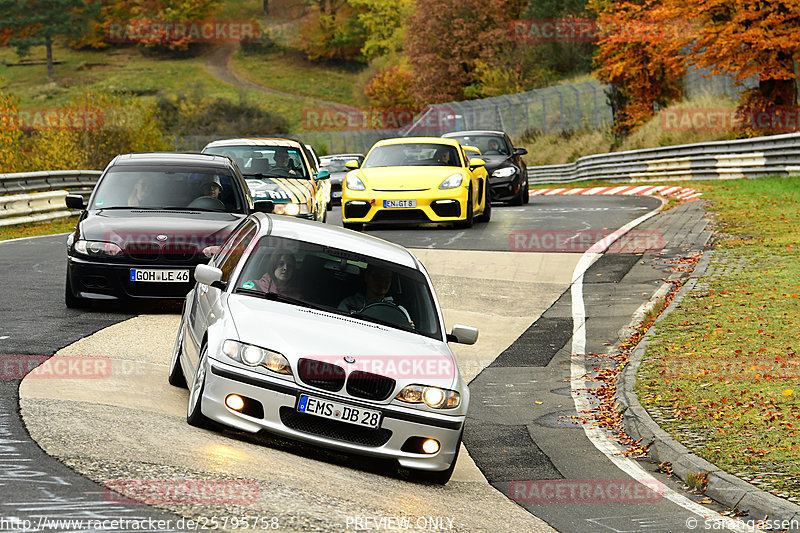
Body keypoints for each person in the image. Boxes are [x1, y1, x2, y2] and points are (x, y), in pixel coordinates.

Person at [338, 265, 412, 325]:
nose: (382, 283)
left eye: (387, 280)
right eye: (378, 278)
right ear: (367, 277)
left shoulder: (399, 311)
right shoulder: (349, 304)